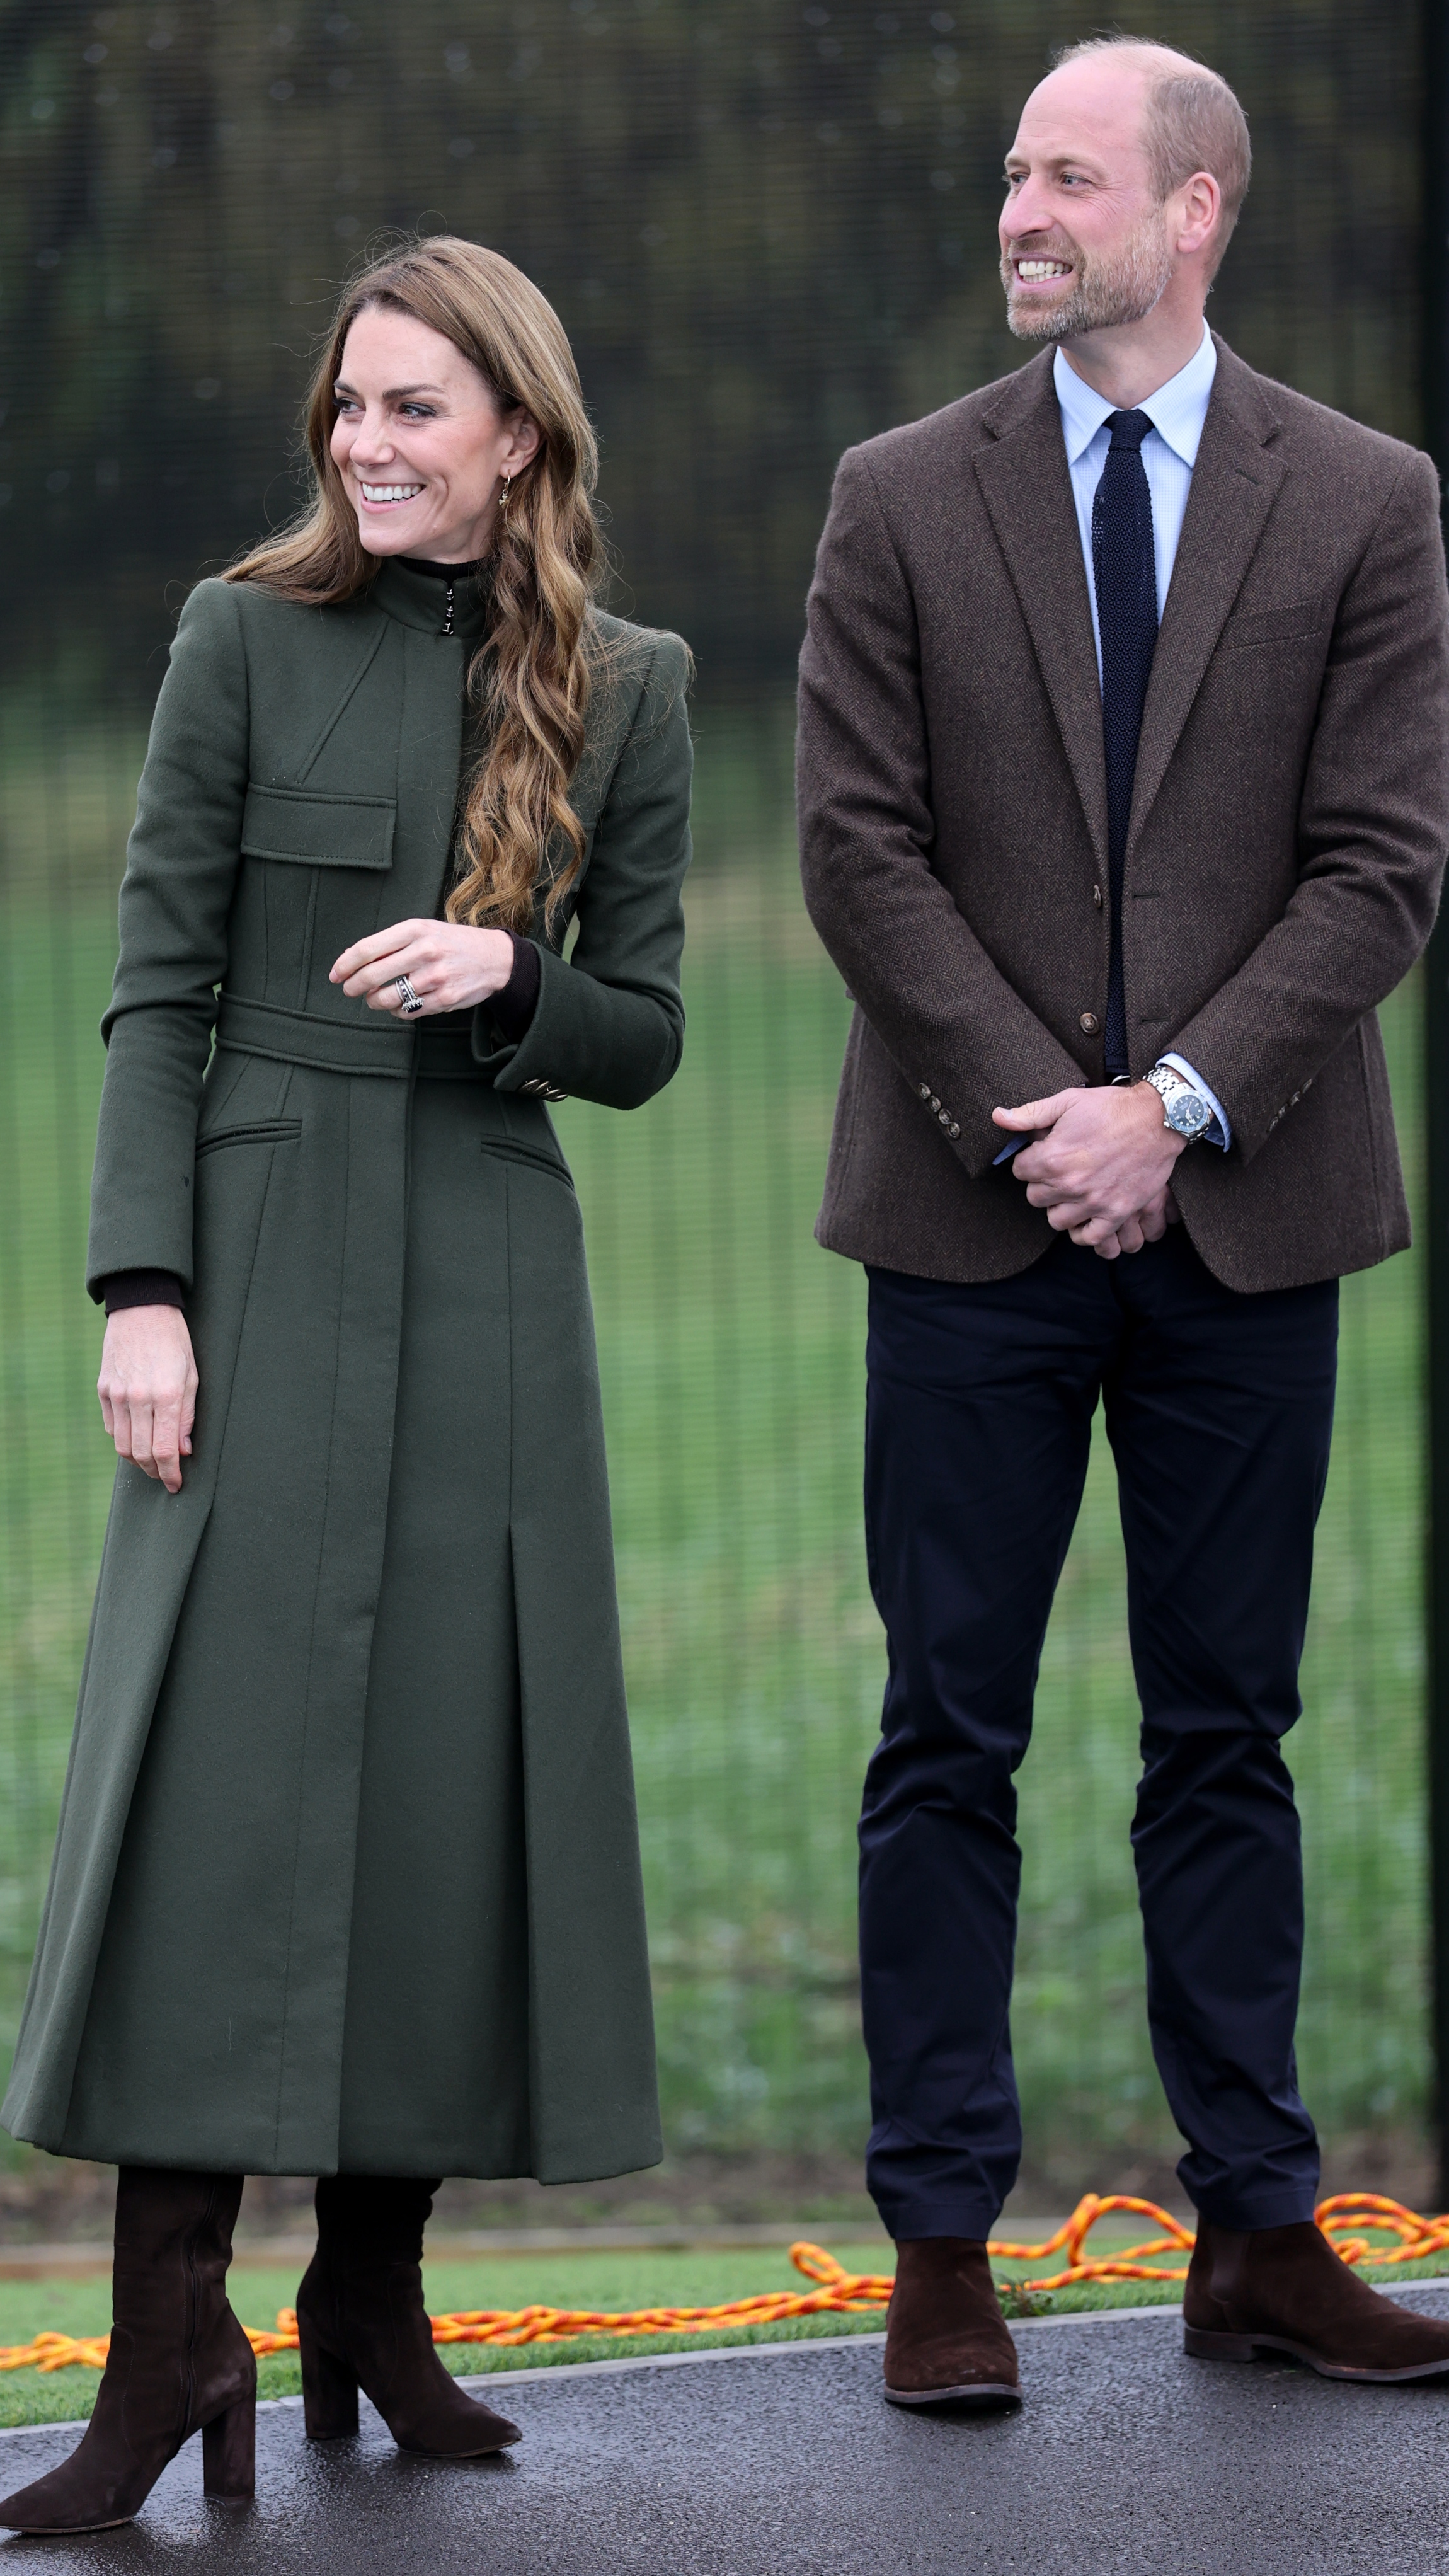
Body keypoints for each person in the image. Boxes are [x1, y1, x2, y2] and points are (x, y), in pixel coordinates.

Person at [0, 235, 692, 2533]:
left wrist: (513, 972)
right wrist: (143, 1289)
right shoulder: (237, 638)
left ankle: (368, 2308)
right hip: (262, 1260)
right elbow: (153, 985)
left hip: (493, 1271)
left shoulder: (631, 688)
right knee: (212, 1787)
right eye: (348, 403)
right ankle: (162, 2338)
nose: (364, 442)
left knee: (440, 1788)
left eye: (414, 408)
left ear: (519, 432)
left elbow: (647, 1037)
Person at [798, 35, 1449, 2412]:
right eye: (1006, 173)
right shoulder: (894, 496)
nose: (1016, 210)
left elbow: (1380, 863)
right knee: (941, 1738)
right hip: (969, 1232)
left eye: (1064, 177)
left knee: (1226, 1736)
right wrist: (1035, 1122)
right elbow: (853, 849)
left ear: (1197, 215)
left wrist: (1167, 1111)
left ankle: (1257, 2235)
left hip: (1247, 1224)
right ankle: (940, 2248)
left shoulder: (1368, 500)